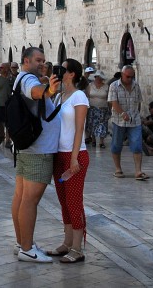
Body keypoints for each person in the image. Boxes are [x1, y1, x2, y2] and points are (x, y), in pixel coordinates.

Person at [10, 47, 62, 263]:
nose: (42, 63)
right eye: (38, 60)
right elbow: (35, 92)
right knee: (30, 201)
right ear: (26, 61)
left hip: (27, 149)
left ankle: (22, 243)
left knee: (21, 198)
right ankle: (27, 248)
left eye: (44, 60)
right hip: (38, 151)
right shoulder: (28, 79)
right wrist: (48, 90)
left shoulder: (21, 78)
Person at [52, 58, 90, 264]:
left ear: (72, 74)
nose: (59, 71)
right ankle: (67, 242)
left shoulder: (79, 96)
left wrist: (74, 157)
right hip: (59, 154)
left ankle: (77, 247)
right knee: (64, 201)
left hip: (74, 155)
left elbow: (79, 129)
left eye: (63, 69)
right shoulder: (60, 96)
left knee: (74, 201)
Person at [108, 65, 147, 180]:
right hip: (118, 120)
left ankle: (138, 171)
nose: (130, 79)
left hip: (134, 121)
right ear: (122, 75)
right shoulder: (114, 86)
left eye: (132, 77)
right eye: (127, 76)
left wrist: (136, 114)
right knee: (116, 144)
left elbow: (139, 102)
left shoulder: (136, 86)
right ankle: (118, 169)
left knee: (137, 144)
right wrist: (122, 113)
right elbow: (113, 102)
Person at [86, 70, 111, 149]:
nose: (98, 79)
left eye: (100, 77)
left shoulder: (106, 87)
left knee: (102, 125)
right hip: (92, 108)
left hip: (103, 109)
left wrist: (110, 108)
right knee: (92, 124)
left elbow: (109, 98)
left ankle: (101, 142)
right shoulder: (90, 85)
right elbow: (87, 96)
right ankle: (93, 140)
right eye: (97, 77)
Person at [0, 62, 15, 146]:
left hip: (9, 104)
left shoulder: (11, 78)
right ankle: (1, 134)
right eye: (0, 67)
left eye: (2, 67)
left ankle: (7, 140)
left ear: (6, 68)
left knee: (8, 123)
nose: (0, 69)